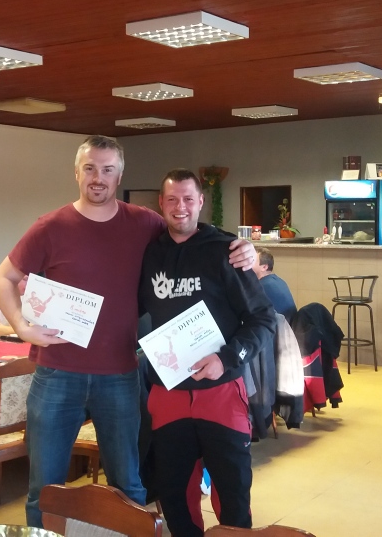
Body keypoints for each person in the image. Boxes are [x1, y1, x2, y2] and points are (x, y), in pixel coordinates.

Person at [0, 135, 256, 527]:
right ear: (77, 173)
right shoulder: (50, 226)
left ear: (119, 176)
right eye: (90, 168)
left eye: (108, 170)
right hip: (56, 374)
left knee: (127, 486)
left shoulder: (144, 223)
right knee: (43, 490)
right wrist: (22, 327)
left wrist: (241, 247)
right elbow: (3, 278)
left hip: (119, 376)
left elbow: (187, 225)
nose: (98, 177)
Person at [139, 169, 275, 537]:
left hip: (222, 392)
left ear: (201, 202)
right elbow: (126, 306)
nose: (180, 207)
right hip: (168, 393)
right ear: (161, 204)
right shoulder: (150, 254)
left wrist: (226, 359)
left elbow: (263, 319)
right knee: (175, 496)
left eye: (188, 199)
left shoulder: (226, 251)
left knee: (232, 497)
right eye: (171, 199)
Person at [253, 247, 297, 320]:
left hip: (280, 326)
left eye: (252, 261)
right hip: (288, 325)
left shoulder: (263, 287)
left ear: (264, 267)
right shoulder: (278, 281)